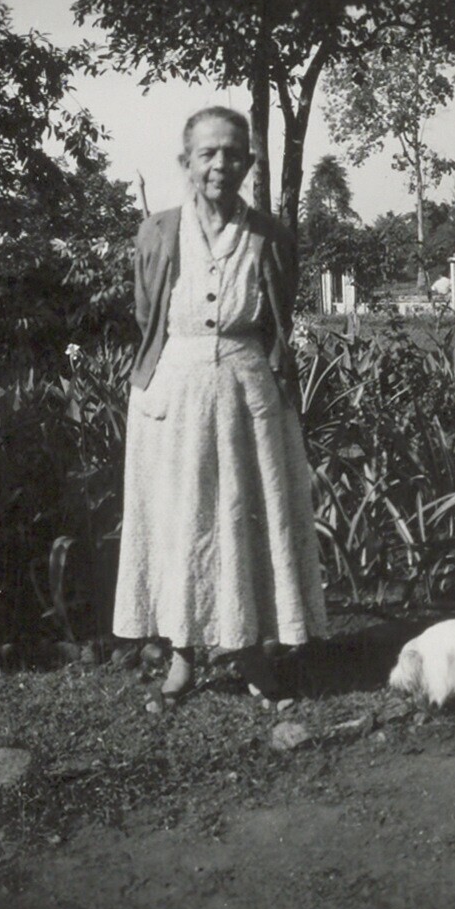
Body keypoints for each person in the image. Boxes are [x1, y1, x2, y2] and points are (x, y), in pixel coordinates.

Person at [112, 106, 326, 708]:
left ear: (249, 162)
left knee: (245, 517)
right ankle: (182, 656)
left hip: (246, 389)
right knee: (180, 520)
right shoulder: (158, 232)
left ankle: (252, 653)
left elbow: (278, 312)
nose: (220, 164)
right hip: (173, 394)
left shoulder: (271, 236)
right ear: (186, 162)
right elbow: (147, 315)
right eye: (207, 153)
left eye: (233, 152)